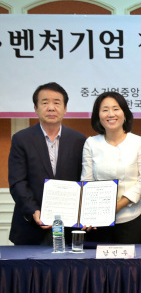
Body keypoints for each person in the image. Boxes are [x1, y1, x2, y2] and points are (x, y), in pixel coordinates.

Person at [8, 82, 86, 245]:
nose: (51, 108)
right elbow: (17, 182)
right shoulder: (21, 139)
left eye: (57, 103)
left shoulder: (79, 140)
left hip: (69, 227)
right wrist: (34, 211)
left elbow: (83, 180)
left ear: (65, 109)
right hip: (30, 227)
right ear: (36, 108)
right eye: (45, 103)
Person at [81, 92, 141, 244]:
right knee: (99, 267)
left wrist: (117, 206)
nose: (110, 114)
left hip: (130, 219)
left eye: (116, 109)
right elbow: (86, 181)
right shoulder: (91, 143)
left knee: (130, 267)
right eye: (105, 110)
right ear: (98, 116)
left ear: (125, 114)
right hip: (98, 221)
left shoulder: (139, 142)